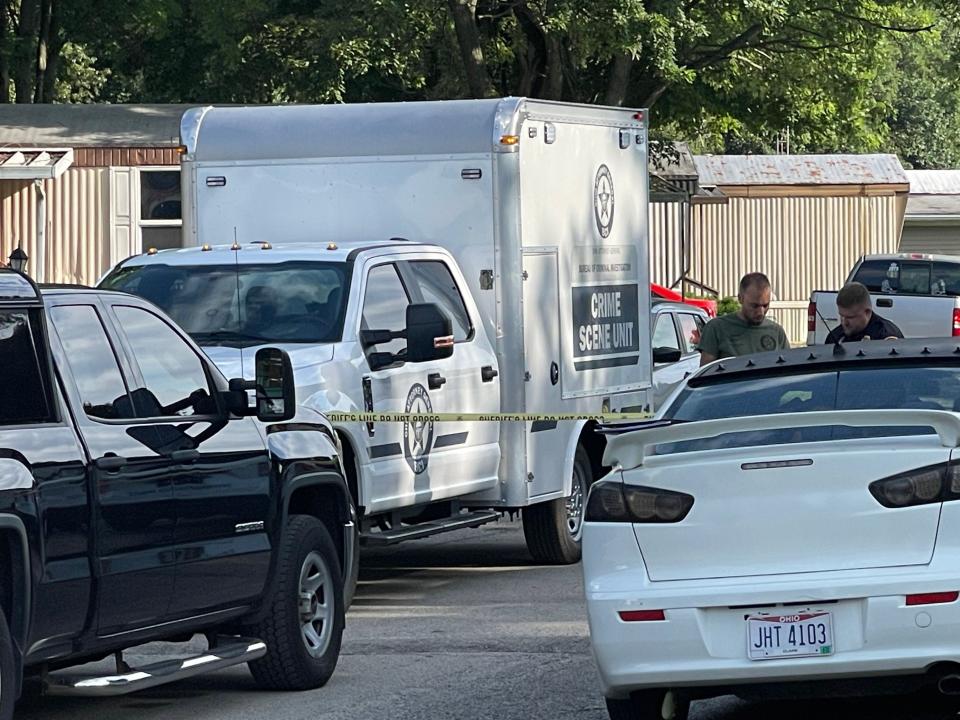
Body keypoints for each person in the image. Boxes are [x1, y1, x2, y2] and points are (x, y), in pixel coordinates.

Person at [698, 272, 790, 366]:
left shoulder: (776, 332)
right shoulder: (716, 328)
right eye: (754, 306)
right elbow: (705, 374)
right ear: (740, 299)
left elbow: (788, 369)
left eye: (765, 305)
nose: (760, 312)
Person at [825, 281, 902, 343]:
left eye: (850, 317)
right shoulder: (835, 338)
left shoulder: (885, 336)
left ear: (867, 312)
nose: (844, 322)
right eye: (841, 316)